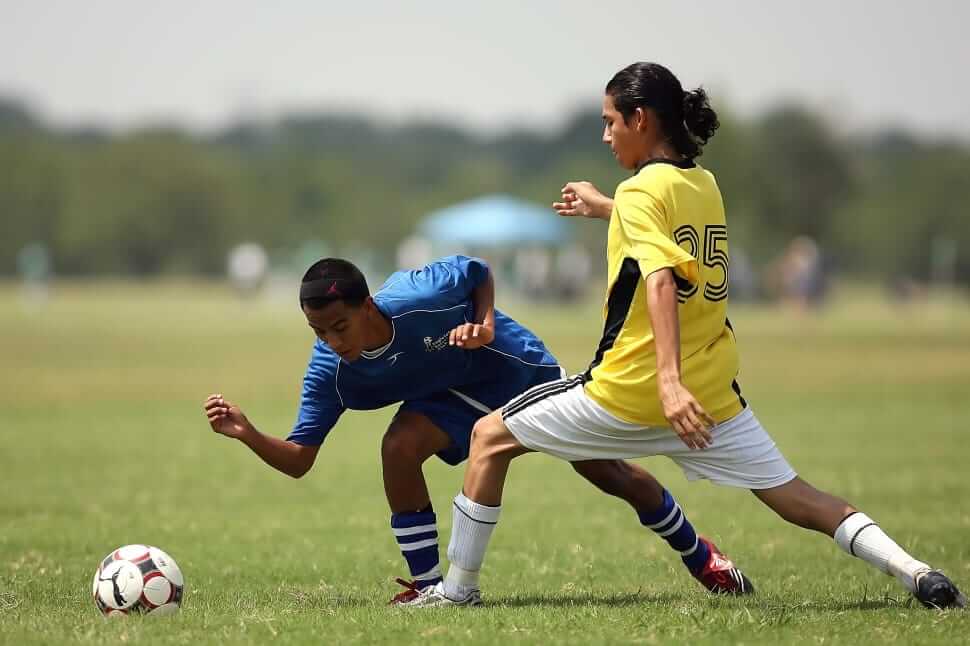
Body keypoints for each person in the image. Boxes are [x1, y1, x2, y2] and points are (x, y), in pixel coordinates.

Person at [410, 62, 966, 610]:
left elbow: (661, 278)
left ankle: (457, 592)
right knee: (798, 497)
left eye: (610, 122)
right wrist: (605, 207)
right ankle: (917, 573)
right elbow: (664, 233)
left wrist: (668, 383)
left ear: (641, 119)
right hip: (712, 400)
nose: (605, 135)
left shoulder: (638, 192)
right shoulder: (704, 184)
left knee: (489, 437)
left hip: (627, 392)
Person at [203, 254, 753, 604]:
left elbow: (478, 271)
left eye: (340, 326)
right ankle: (427, 587)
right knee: (398, 447)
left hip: (512, 369)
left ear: (368, 304)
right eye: (318, 331)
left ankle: (700, 555)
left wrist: (485, 325)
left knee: (605, 472)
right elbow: (300, 458)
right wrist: (249, 432)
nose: (332, 341)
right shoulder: (332, 372)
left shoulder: (420, 295)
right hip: (445, 400)